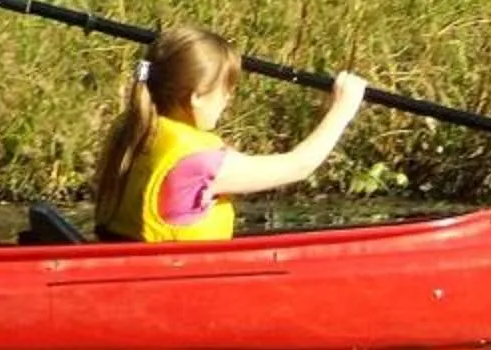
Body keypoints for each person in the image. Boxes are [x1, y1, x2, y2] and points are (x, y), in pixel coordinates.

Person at [91, 23, 366, 243]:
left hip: (134, 269)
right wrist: (343, 108)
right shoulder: (198, 162)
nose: (228, 100)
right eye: (225, 91)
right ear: (197, 97)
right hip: (181, 281)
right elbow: (299, 165)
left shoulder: (130, 130)